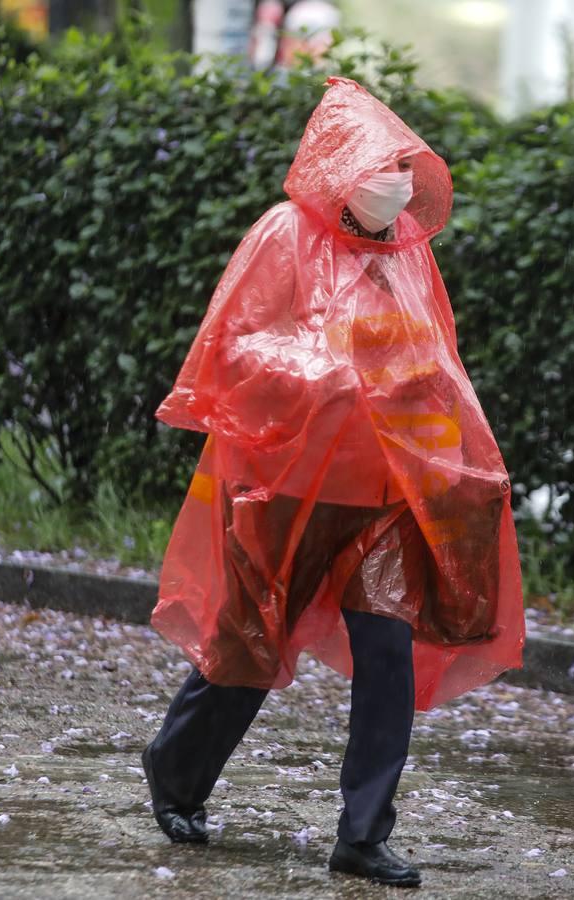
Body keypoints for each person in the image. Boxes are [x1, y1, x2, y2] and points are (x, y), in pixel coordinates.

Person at [142, 76, 524, 888]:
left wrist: (457, 450)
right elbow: (231, 348)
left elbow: (438, 364)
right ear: (341, 167)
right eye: (383, 166)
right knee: (249, 640)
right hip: (289, 483)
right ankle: (176, 771)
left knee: (388, 649)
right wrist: (324, 373)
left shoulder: (411, 254)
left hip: (384, 493)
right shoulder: (283, 236)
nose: (398, 183)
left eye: (405, 168)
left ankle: (364, 832)